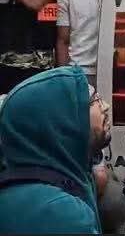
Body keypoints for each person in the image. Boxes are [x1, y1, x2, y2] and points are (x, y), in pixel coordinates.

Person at [0, 66, 111, 233]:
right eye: (94, 100)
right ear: (61, 121)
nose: (106, 106)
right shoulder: (61, 213)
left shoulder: (54, 180)